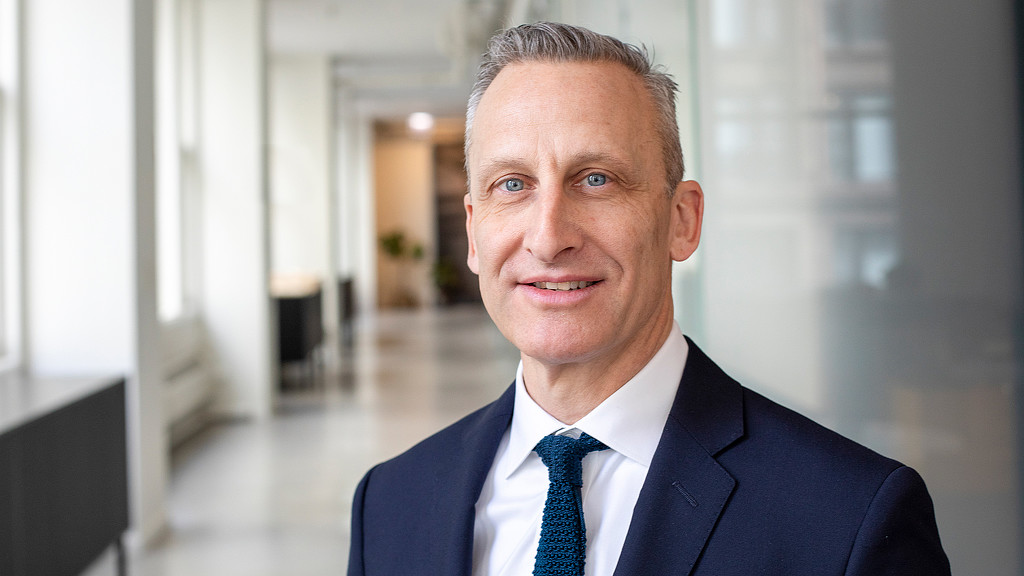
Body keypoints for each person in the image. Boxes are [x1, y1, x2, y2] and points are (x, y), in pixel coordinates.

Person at [347, 22, 950, 576]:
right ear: (476, 231)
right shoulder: (391, 504)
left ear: (682, 221)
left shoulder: (851, 520)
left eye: (597, 179)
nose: (550, 237)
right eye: (513, 184)